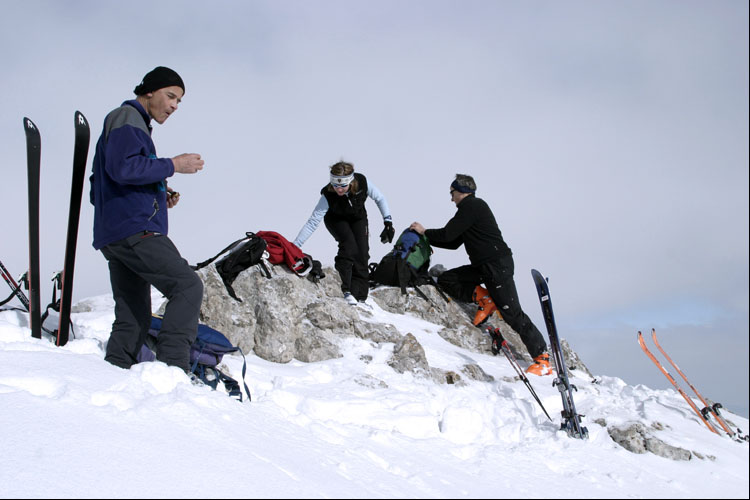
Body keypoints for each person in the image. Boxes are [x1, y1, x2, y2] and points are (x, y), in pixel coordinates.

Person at [89, 66, 205, 373]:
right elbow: (124, 169)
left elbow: (105, 181)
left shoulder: (131, 124)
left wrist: (158, 194)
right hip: (135, 231)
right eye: (170, 96)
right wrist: (173, 165)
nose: (173, 106)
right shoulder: (126, 119)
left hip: (115, 233)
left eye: (179, 101)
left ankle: (114, 369)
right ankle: (172, 370)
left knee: (134, 313)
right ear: (149, 91)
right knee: (187, 286)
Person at [409, 174, 551, 375]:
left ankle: (542, 358)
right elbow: (453, 242)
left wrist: (424, 232)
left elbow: (448, 234)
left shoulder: (472, 206)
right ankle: (484, 298)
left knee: (512, 313)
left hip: (496, 266)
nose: (451, 198)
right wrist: (425, 238)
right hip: (483, 267)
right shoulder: (468, 210)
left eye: (452, 193)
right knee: (448, 279)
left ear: (461, 191)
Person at [293, 161, 394, 305]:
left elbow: (380, 198)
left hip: (358, 218)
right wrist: (295, 245)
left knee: (362, 253)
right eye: (335, 185)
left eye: (342, 186)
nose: (339, 190)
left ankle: (360, 297)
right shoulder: (328, 196)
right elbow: (312, 222)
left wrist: (388, 222)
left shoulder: (362, 182)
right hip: (336, 220)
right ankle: (346, 290)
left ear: (351, 181)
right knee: (349, 247)